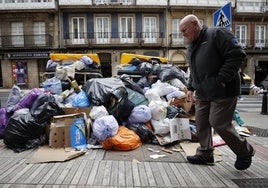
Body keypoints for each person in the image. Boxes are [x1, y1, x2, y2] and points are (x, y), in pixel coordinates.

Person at [179, 14, 255, 170]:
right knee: (201, 122)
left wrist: (221, 79)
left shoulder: (217, 34)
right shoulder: (192, 46)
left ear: (195, 23)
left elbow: (237, 55)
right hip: (203, 92)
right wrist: (191, 87)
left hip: (223, 90)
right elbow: (194, 70)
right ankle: (205, 154)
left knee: (218, 123)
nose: (183, 35)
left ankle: (245, 151)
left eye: (184, 30)